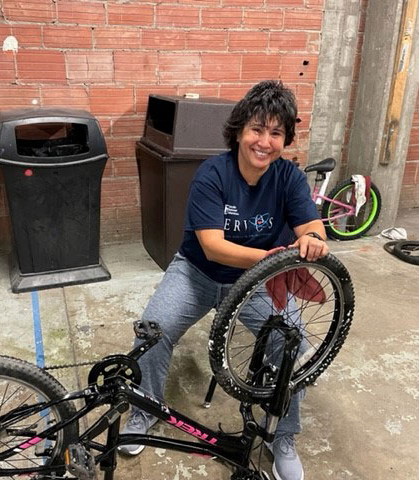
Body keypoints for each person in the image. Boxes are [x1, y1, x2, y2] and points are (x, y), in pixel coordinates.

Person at [119, 80, 329, 480]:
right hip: (197, 272)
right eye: (257, 129)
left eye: (276, 133)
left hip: (252, 282)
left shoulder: (288, 177)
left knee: (291, 342)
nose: (264, 141)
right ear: (238, 130)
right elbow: (213, 246)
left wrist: (314, 241)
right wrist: (277, 257)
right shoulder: (211, 174)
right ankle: (143, 410)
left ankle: (280, 434)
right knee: (153, 330)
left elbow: (311, 224)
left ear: (285, 139)